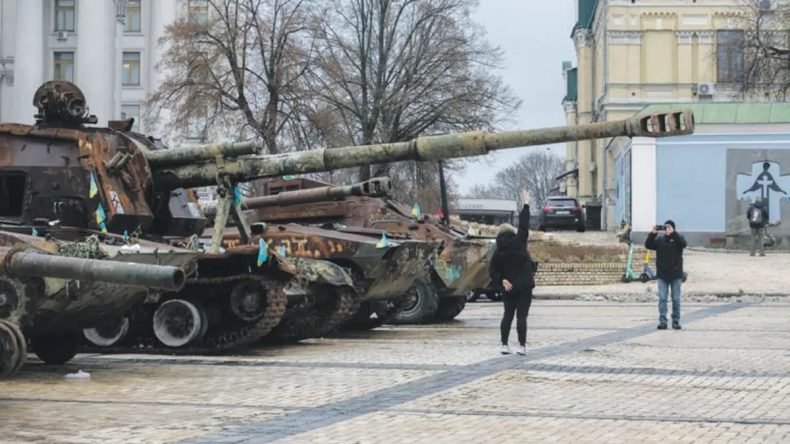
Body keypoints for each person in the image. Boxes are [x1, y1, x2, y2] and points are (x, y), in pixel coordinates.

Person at [489, 190, 536, 355]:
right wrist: (526, 203)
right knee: (522, 317)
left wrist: (502, 280)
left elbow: (493, 270)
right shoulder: (520, 241)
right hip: (524, 286)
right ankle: (522, 346)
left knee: (507, 315)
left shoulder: (498, 251)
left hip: (508, 287)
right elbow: (524, 224)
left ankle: (504, 344)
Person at [645, 220, 687, 330]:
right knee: (662, 299)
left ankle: (676, 321)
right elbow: (648, 245)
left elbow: (683, 244)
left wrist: (673, 233)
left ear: (673, 228)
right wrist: (652, 233)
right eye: (665, 228)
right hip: (663, 274)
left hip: (676, 274)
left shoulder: (678, 238)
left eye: (669, 228)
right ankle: (663, 321)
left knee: (676, 299)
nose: (666, 230)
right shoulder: (660, 240)